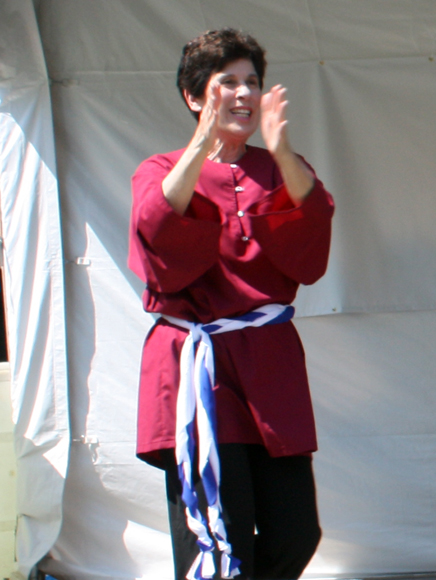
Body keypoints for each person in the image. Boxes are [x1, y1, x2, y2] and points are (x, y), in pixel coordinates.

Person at [129, 28, 334, 580]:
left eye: (252, 83)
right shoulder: (160, 169)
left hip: (268, 367)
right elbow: (156, 232)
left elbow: (311, 240)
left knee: (297, 533)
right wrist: (202, 143)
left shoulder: (280, 167)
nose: (244, 94)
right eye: (228, 84)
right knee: (219, 532)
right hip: (200, 375)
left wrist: (283, 149)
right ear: (196, 96)